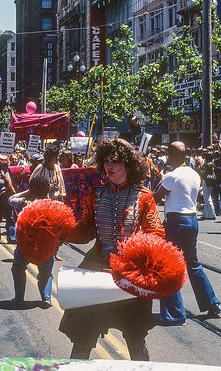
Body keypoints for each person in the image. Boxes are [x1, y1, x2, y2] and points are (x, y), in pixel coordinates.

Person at [60, 138, 165, 361]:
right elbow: (86, 230)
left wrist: (138, 252)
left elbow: (156, 233)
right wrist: (61, 231)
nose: (110, 166)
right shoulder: (94, 193)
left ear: (129, 164)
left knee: (136, 337)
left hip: (129, 275)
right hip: (96, 271)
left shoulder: (144, 196)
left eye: (116, 161)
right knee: (82, 336)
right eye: (106, 161)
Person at [156, 142, 221, 326]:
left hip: (176, 221)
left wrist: (161, 178)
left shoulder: (171, 176)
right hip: (192, 220)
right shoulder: (194, 174)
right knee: (193, 264)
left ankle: (174, 313)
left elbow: (156, 197)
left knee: (169, 265)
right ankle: (211, 302)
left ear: (170, 156)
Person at [9, 176, 54, 309]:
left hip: (25, 245)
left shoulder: (24, 202)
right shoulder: (53, 205)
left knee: (18, 268)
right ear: (47, 189)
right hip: (46, 246)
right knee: (46, 272)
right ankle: (46, 298)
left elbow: (10, 199)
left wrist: (27, 192)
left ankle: (19, 298)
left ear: (32, 189)